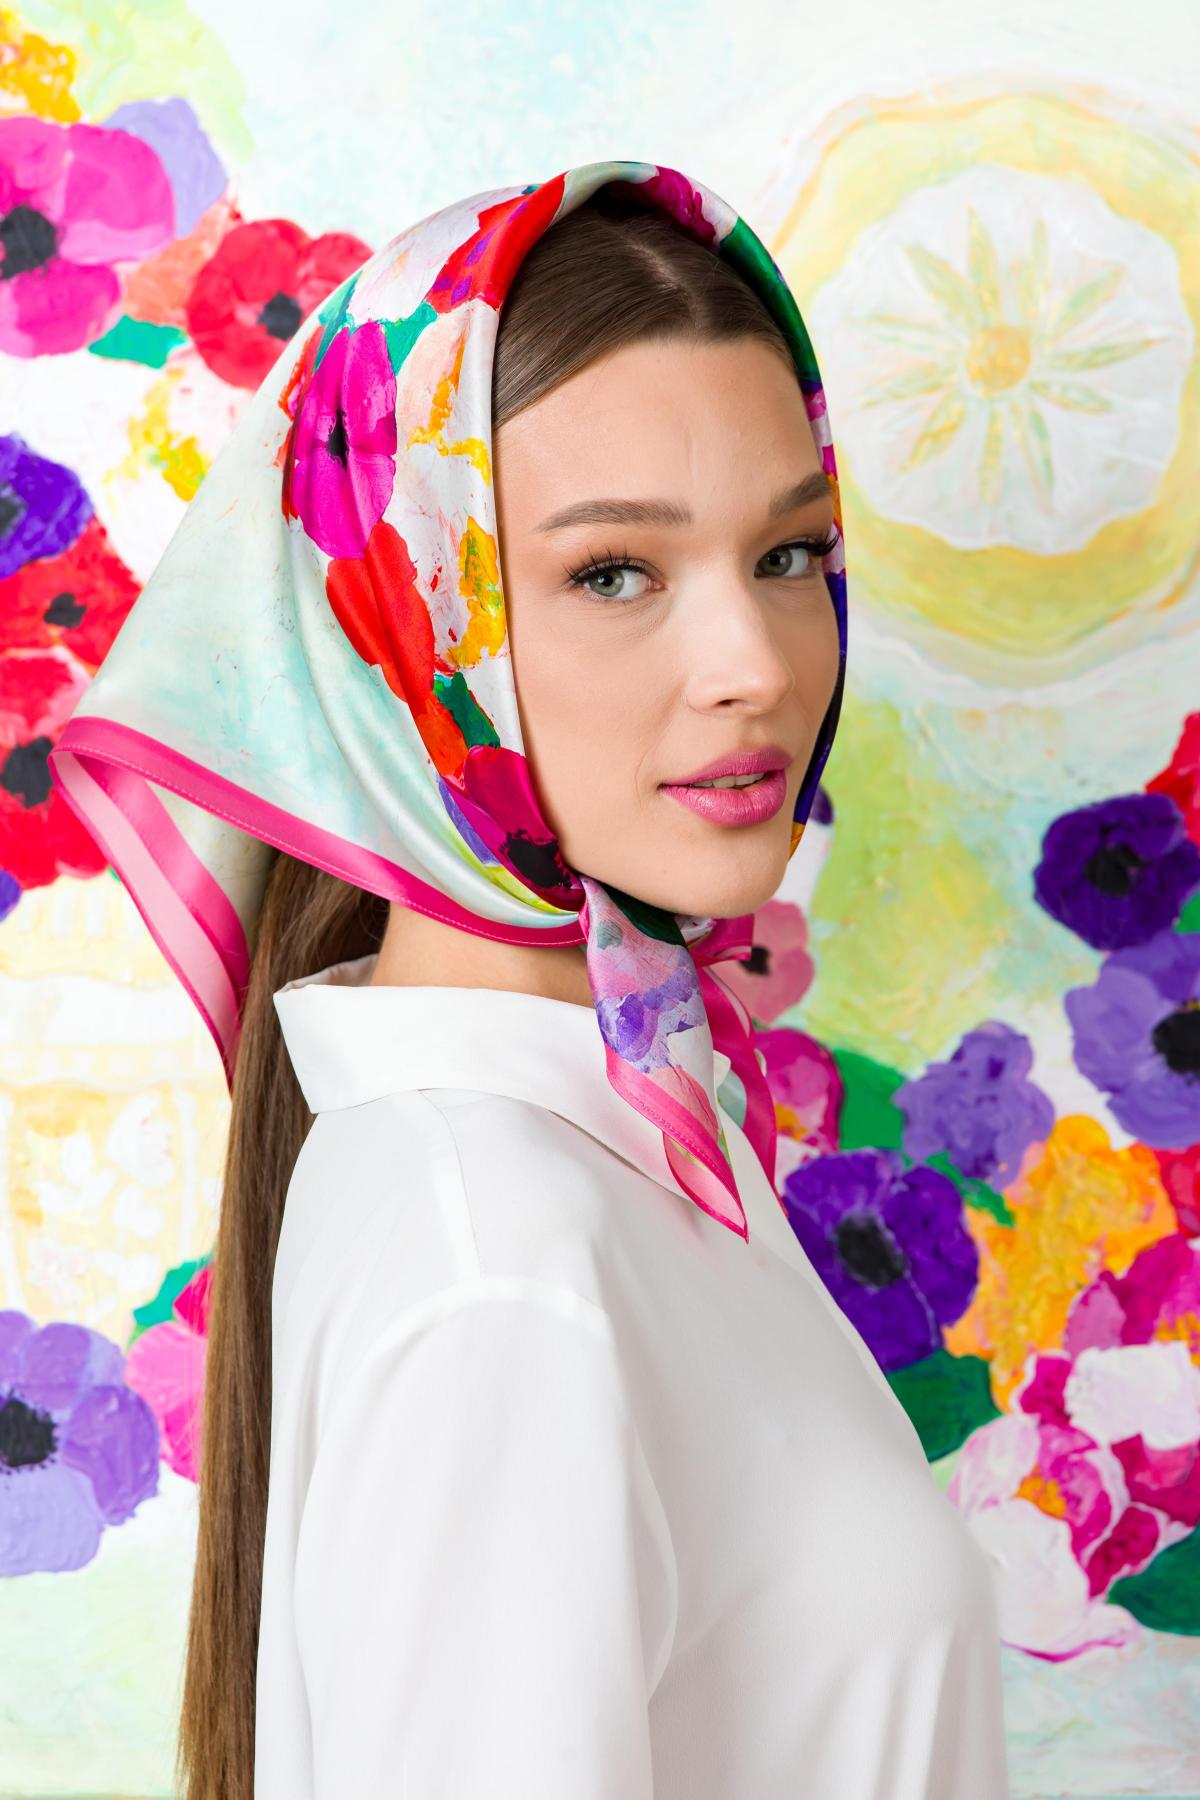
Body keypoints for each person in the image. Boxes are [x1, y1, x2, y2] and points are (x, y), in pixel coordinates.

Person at [50, 163, 1011, 1799]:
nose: (756, 667)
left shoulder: (617, 1137)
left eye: (790, 554)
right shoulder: (503, 1251)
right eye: (614, 572)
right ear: (408, 632)